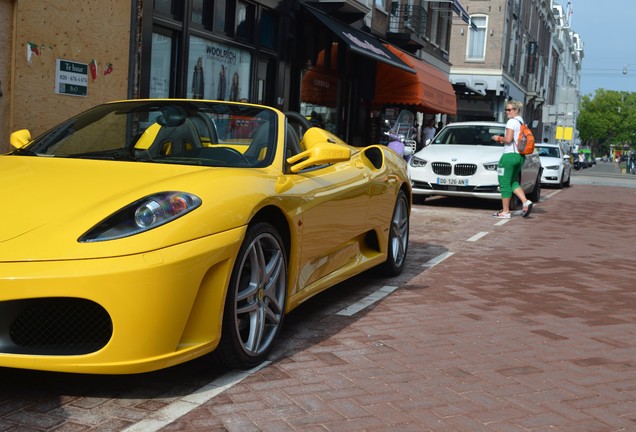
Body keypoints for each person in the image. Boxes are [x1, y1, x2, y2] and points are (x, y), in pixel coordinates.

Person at [490, 100, 534, 219]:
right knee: (512, 181)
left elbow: (508, 140)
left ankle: (505, 211)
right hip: (520, 156)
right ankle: (525, 201)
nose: (507, 112)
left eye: (509, 110)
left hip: (509, 156)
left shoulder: (511, 122)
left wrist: (497, 138)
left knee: (504, 182)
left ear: (516, 110)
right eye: (506, 110)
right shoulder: (521, 122)